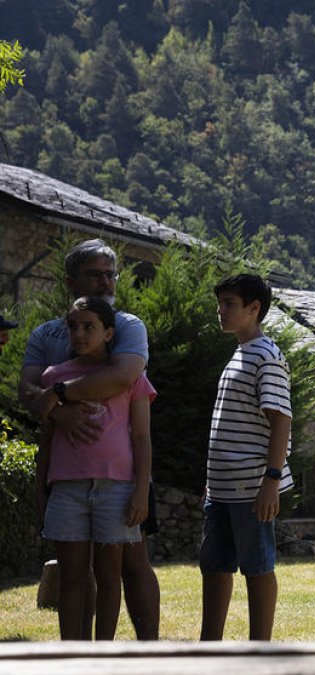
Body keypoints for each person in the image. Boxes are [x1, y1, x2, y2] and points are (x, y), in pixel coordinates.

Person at [20, 239, 161, 640]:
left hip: (119, 473)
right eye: (93, 274)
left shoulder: (128, 324)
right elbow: (28, 393)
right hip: (72, 473)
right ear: (70, 282)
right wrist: (57, 411)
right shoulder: (46, 335)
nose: (104, 282)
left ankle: (144, 649)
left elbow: (122, 377)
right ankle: (78, 654)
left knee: (131, 564)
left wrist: (59, 396)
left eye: (109, 274)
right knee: (76, 573)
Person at [200, 274, 293, 641]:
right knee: (214, 565)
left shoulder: (267, 356)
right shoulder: (241, 353)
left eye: (230, 304)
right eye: (220, 302)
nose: (220, 311)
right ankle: (209, 646)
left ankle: (261, 649)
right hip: (221, 488)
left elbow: (281, 420)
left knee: (256, 566)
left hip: (252, 486)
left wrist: (271, 480)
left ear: (254, 309)